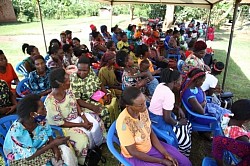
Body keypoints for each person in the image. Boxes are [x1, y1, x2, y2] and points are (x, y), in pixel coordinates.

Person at [116, 86, 192, 166]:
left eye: (145, 102)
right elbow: (133, 152)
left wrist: (165, 153)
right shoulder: (123, 125)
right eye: (140, 105)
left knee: (185, 162)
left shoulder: (142, 111)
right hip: (136, 156)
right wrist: (161, 161)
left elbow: (151, 132)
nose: (145, 106)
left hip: (150, 146)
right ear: (128, 106)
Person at [45, 68, 106, 165]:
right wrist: (82, 125)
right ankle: (84, 159)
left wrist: (84, 118)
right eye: (68, 80)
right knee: (82, 139)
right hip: (65, 126)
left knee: (97, 121)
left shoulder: (67, 90)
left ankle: (97, 146)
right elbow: (61, 123)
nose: (70, 81)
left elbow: (76, 103)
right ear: (61, 84)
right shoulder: (51, 103)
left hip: (78, 117)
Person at [3, 94, 75, 165]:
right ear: (33, 114)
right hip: (22, 159)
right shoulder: (18, 132)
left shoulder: (40, 120)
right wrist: (54, 144)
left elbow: (49, 135)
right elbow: (29, 156)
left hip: (39, 149)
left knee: (65, 153)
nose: (45, 110)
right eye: (42, 108)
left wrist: (56, 151)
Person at [149, 68, 192, 157]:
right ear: (175, 82)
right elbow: (167, 118)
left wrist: (177, 107)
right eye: (180, 80)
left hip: (153, 117)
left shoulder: (161, 85)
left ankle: (183, 140)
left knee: (188, 125)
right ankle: (182, 155)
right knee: (186, 142)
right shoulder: (169, 94)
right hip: (159, 122)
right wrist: (178, 123)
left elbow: (163, 103)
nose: (181, 83)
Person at [70, 56, 119, 128]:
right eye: (79, 70)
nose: (82, 73)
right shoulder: (73, 79)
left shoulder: (91, 73)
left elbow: (100, 84)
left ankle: (116, 121)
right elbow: (77, 99)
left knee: (113, 98)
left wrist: (107, 93)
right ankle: (107, 129)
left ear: (89, 69)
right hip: (85, 101)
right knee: (103, 111)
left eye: (85, 70)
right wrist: (92, 107)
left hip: (95, 95)